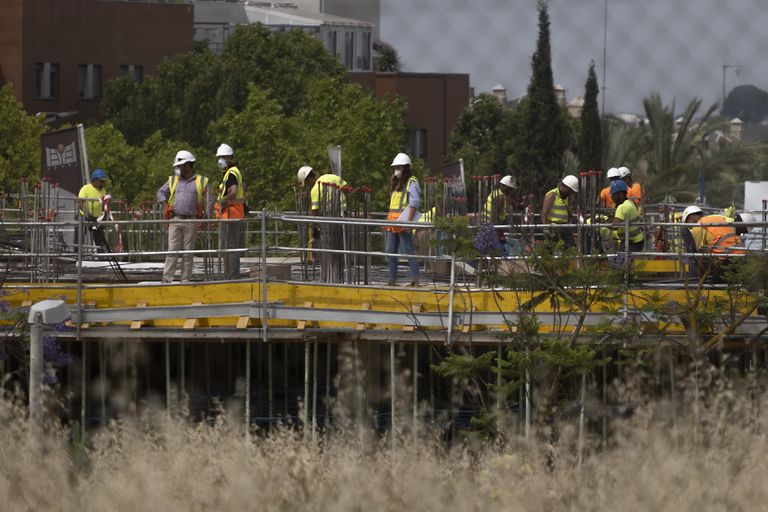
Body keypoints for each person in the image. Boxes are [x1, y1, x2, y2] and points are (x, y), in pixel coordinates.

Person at [156, 150, 210, 283]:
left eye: (182, 165)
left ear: (189, 165)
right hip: (175, 219)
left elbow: (209, 201)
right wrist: (164, 204)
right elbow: (160, 192)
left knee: (188, 253)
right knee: (172, 251)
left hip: (191, 220)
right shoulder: (174, 180)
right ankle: (167, 279)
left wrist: (205, 217)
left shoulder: (201, 181)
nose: (179, 168)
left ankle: (185, 280)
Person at [384, 153, 420, 286]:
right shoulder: (395, 182)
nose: (396, 170)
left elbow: (414, 203)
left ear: (405, 168)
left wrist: (408, 222)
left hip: (403, 222)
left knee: (408, 250)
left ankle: (416, 280)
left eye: (398, 167)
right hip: (392, 223)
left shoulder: (412, 182)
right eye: (395, 167)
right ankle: (392, 280)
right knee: (390, 251)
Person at [215, 143, 246, 280]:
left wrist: (222, 202)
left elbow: (233, 191)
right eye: (220, 157)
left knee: (230, 247)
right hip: (230, 214)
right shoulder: (230, 173)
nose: (220, 160)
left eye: (223, 157)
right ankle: (230, 274)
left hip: (230, 214)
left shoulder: (232, 173)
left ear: (230, 158)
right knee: (229, 246)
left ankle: (231, 276)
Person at [484, 175, 520, 256]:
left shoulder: (498, 194)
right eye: (512, 189)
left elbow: (509, 200)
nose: (513, 192)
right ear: (507, 189)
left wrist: (518, 205)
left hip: (490, 227)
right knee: (501, 254)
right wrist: (498, 233)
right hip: (492, 229)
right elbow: (494, 217)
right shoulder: (500, 198)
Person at [540, 175, 579, 248]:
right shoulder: (552, 195)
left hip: (564, 227)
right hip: (553, 228)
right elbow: (544, 213)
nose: (571, 193)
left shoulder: (564, 197)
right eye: (571, 191)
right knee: (549, 250)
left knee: (570, 250)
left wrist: (574, 220)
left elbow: (566, 210)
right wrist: (546, 228)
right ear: (566, 187)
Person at [77, 168, 110, 252]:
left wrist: (104, 214)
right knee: (80, 237)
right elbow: (80, 201)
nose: (102, 183)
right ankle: (77, 255)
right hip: (85, 216)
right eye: (101, 181)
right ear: (95, 180)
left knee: (99, 238)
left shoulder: (103, 190)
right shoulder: (86, 188)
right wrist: (86, 214)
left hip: (97, 218)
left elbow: (104, 203)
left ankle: (102, 255)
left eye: (103, 181)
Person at [609, 180, 644, 253]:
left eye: (613, 195)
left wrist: (602, 223)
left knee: (622, 262)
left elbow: (614, 226)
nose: (612, 197)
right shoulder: (630, 202)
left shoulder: (622, 207)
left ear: (620, 194)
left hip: (631, 243)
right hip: (638, 241)